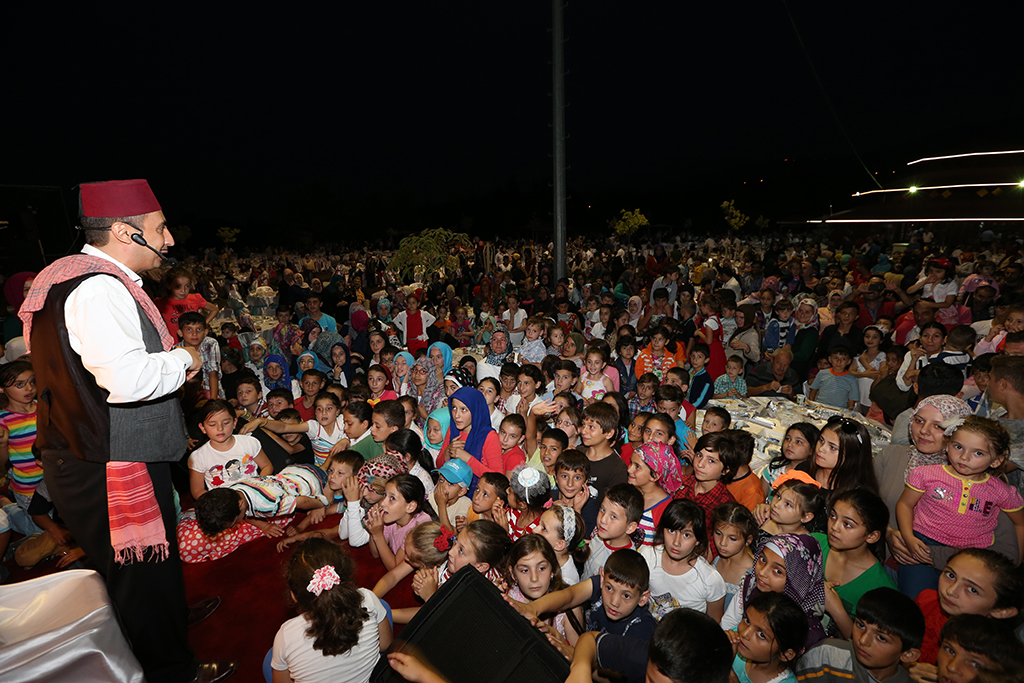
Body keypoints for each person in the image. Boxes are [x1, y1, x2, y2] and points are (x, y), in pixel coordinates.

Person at [20, 179, 232, 682]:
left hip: (103, 450)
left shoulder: (73, 278)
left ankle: (168, 620)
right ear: (122, 231)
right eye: (160, 230)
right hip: (108, 461)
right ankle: (170, 669)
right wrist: (186, 358)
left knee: (150, 566)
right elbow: (129, 379)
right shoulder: (98, 288)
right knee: (139, 574)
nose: (170, 241)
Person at [268, 538, 392, 683]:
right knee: (383, 607)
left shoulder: (286, 635)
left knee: (270, 662)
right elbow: (385, 645)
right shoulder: (368, 599)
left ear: (294, 596)